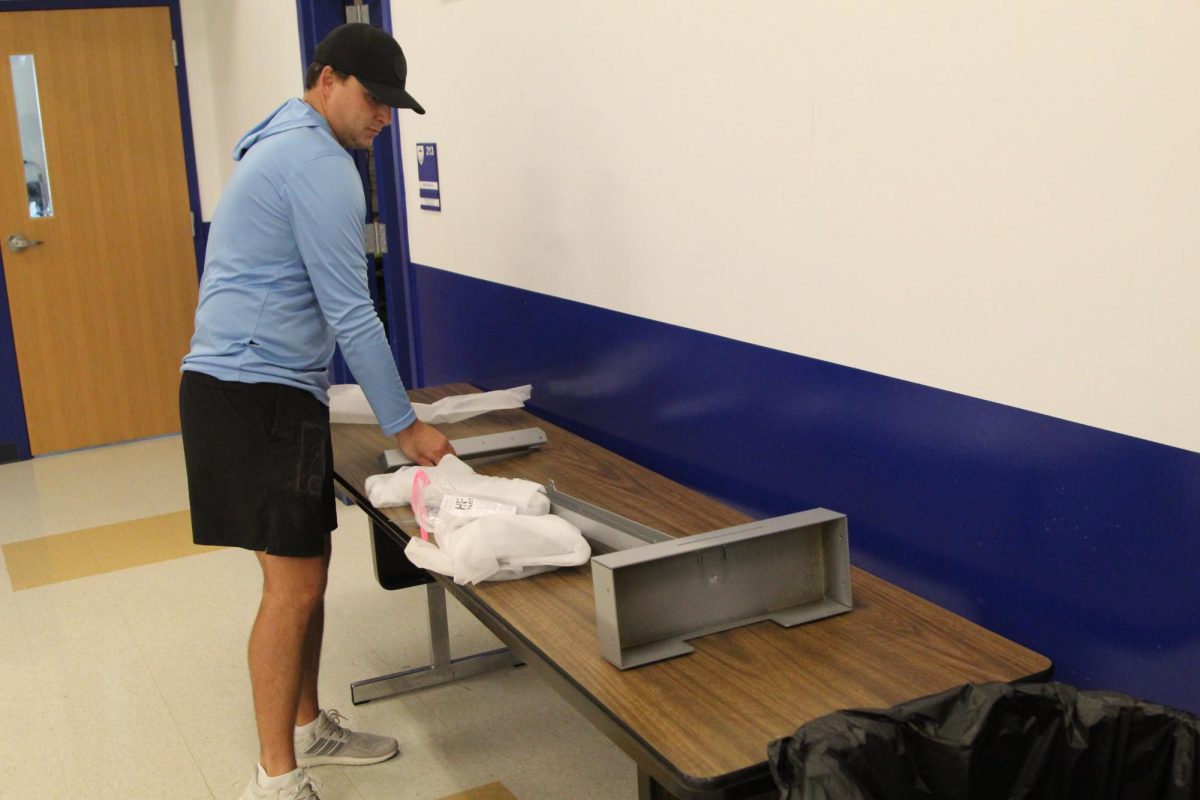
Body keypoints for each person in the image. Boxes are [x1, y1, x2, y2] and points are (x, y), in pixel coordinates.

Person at [179, 24, 453, 800]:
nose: (385, 121)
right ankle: (274, 780)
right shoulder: (318, 164)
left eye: (395, 107)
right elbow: (353, 315)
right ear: (327, 79)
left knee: (306, 574)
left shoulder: (283, 137)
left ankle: (305, 729)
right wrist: (406, 426)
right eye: (375, 101)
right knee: (292, 589)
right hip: (253, 395)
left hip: (250, 391)